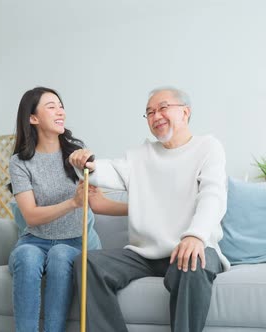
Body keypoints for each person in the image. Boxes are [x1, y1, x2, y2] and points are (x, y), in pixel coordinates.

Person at [69, 87, 229, 332]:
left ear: (185, 112)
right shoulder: (140, 155)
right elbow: (105, 170)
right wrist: (84, 162)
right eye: (150, 112)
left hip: (192, 247)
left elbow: (213, 195)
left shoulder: (208, 147)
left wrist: (195, 236)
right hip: (144, 255)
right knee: (87, 262)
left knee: (194, 263)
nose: (156, 116)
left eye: (163, 108)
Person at [8, 87, 125, 332]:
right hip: (34, 240)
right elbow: (30, 215)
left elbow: (98, 203)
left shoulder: (76, 155)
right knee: (25, 256)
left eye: (61, 106)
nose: (60, 111)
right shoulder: (20, 162)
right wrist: (72, 203)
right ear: (33, 118)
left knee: (61, 254)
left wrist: (142, 209)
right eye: (51, 106)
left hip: (74, 242)